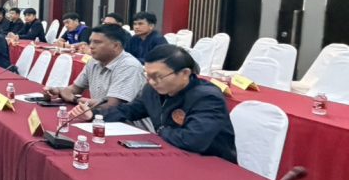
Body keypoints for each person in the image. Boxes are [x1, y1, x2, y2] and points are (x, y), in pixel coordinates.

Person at [101, 44, 237, 162]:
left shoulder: (207, 98)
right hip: (171, 154)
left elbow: (193, 140)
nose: (151, 82)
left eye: (158, 76)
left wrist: (161, 131)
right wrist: (95, 115)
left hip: (210, 163)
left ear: (185, 73)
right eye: (148, 76)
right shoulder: (152, 90)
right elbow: (129, 110)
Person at [44, 25, 142, 118]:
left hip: (125, 125)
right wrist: (59, 91)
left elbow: (112, 106)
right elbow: (74, 88)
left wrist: (76, 99)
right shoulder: (93, 61)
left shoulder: (129, 65)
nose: (91, 46)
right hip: (97, 117)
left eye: (97, 42)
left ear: (116, 46)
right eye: (90, 42)